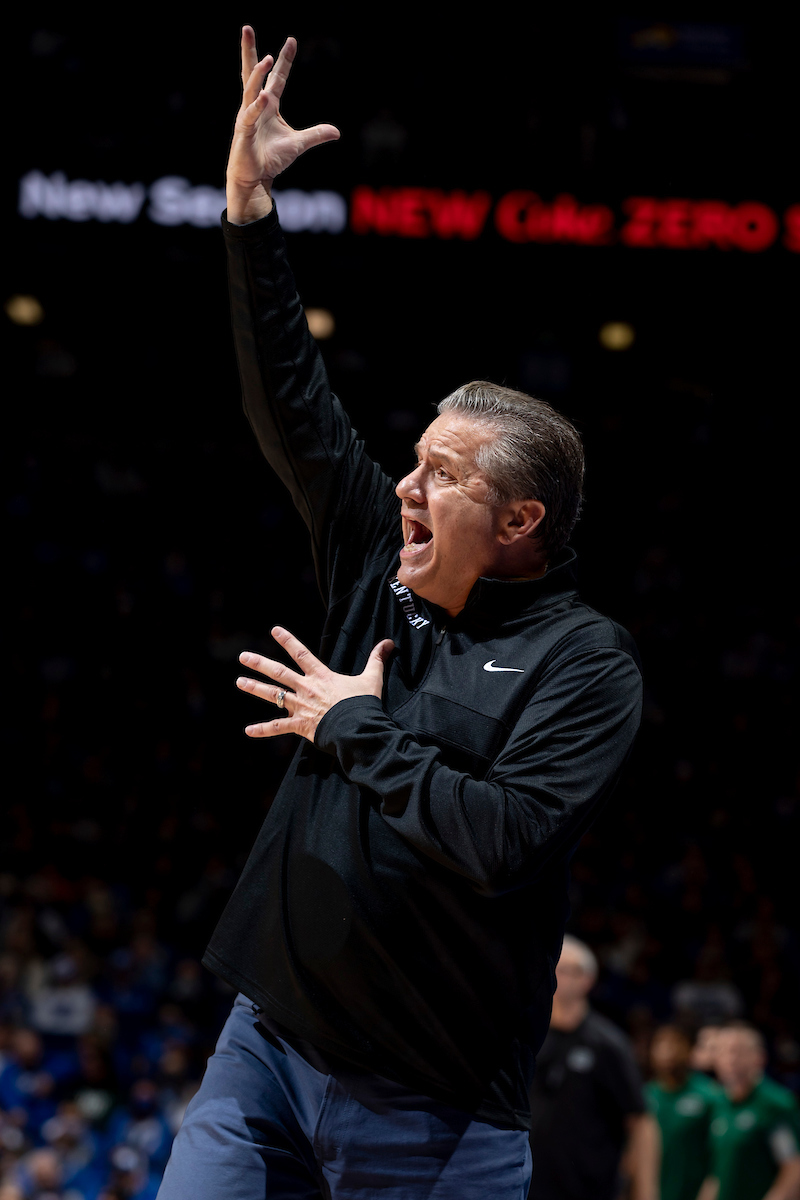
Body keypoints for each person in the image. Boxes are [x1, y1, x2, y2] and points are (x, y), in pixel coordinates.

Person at [156, 27, 643, 1200]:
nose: (405, 489)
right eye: (412, 463)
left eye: (443, 476)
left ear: (520, 521)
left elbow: (504, 839)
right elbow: (291, 399)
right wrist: (246, 213)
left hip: (433, 1112)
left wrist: (354, 728)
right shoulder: (381, 555)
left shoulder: (584, 663)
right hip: (264, 1054)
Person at [527, 935, 658, 1200]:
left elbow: (641, 1121)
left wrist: (644, 1190)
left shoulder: (608, 1044)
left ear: (587, 980)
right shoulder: (530, 1037)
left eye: (566, 971)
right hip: (530, 1183)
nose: (557, 978)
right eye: (555, 970)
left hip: (590, 1187)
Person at [698, 1023, 800, 1200]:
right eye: (722, 1052)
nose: (730, 1059)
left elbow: (793, 1167)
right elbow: (718, 1172)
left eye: (738, 1051)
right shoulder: (717, 1103)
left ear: (758, 1057)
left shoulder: (774, 1104)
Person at [646, 1024, 722, 1200]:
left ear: (690, 1050)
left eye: (676, 1043)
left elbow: (722, 1155)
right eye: (661, 1044)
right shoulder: (644, 1097)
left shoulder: (711, 1096)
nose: (667, 1051)